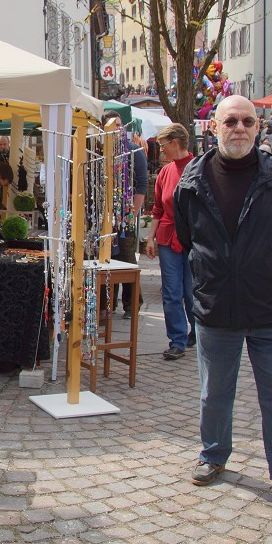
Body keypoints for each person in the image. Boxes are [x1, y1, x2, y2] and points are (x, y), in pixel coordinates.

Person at [174, 95, 272, 506]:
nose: (239, 128)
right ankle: (213, 455)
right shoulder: (191, 182)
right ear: (214, 127)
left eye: (248, 122)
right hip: (217, 306)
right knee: (214, 391)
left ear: (259, 128)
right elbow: (189, 240)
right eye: (231, 121)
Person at [145, 123, 195, 360]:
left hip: (194, 240)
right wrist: (150, 238)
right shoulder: (165, 172)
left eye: (162, 146)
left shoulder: (199, 168)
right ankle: (177, 339)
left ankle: (196, 332)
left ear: (175, 143)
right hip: (167, 237)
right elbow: (157, 208)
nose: (161, 151)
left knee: (192, 291)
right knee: (172, 292)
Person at [102, 111, 148, 318]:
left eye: (120, 125)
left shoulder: (134, 151)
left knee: (127, 259)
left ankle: (131, 304)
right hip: (104, 216)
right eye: (113, 125)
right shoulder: (99, 151)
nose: (117, 129)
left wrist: (132, 216)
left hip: (125, 215)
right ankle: (107, 303)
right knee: (105, 259)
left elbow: (142, 185)